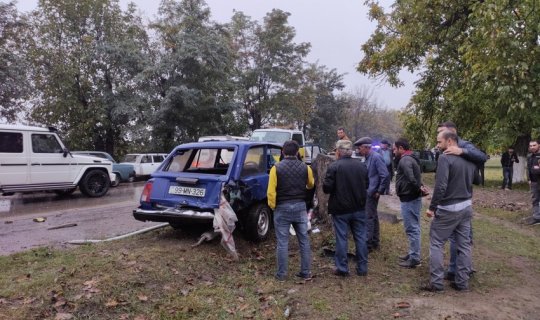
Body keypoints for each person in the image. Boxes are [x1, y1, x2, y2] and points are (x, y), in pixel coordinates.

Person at [423, 130, 476, 292]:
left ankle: (437, 284)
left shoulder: (445, 158)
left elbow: (441, 186)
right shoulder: (469, 159)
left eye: (440, 142)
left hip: (448, 208)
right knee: (464, 245)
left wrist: (432, 208)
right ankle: (462, 283)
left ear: (450, 141)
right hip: (466, 206)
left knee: (436, 243)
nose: (438, 145)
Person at [436, 121, 487, 280]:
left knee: (464, 237)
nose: (439, 138)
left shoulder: (465, 145)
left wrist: (461, 150)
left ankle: (463, 269)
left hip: (463, 198)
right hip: (452, 197)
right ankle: (456, 270)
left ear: (452, 134)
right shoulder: (443, 149)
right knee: (455, 237)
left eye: (442, 132)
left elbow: (482, 157)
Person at [267, 140, 315, 281]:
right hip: (300, 207)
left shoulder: (276, 168)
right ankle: (305, 272)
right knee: (304, 241)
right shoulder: (306, 168)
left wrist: (273, 206)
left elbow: (271, 192)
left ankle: (282, 274)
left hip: (282, 207)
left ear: (282, 151)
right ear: (298, 152)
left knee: (282, 242)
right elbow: (311, 184)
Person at [323, 139, 369, 277]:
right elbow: (366, 185)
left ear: (338, 151)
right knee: (360, 237)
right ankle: (362, 268)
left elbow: (326, 188)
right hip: (359, 207)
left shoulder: (334, 167)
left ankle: (342, 268)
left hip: (340, 209)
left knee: (341, 238)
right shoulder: (362, 166)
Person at [354, 137, 389, 252]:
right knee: (373, 217)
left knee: (368, 217)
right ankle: (375, 242)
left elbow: (385, 175)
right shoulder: (368, 157)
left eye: (360, 148)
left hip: (372, 192)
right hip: (369, 191)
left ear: (365, 147)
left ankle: (368, 244)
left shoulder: (376, 157)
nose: (359, 151)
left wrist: (379, 190)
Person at [393, 138, 423, 268]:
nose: (393, 151)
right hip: (412, 197)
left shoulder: (405, 160)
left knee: (412, 229)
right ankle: (412, 253)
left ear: (401, 148)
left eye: (395, 149)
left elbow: (411, 178)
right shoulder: (411, 158)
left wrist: (418, 188)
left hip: (409, 198)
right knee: (413, 227)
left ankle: (414, 258)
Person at [526, 140, 540, 226]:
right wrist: (529, 179)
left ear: (539, 145)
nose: (532, 147)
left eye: (534, 145)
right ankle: (536, 218)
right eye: (530, 146)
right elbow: (528, 169)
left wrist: (537, 169)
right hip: (534, 182)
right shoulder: (530, 156)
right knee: (535, 200)